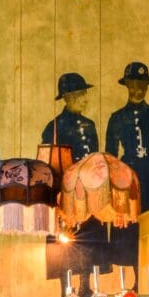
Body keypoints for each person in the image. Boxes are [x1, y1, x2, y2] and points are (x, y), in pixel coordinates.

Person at [103, 61, 149, 266]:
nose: (137, 90)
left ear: (147, 87)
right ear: (126, 86)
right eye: (133, 85)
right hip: (128, 179)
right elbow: (111, 156)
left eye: (142, 85)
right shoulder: (117, 118)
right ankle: (135, 279)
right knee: (130, 229)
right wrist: (114, 188)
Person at [42, 71, 102, 277]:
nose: (85, 100)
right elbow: (48, 163)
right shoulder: (54, 127)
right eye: (79, 95)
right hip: (65, 191)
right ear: (67, 98)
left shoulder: (89, 125)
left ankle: (86, 286)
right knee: (64, 243)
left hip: (88, 190)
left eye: (85, 94)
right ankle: (65, 291)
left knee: (88, 239)